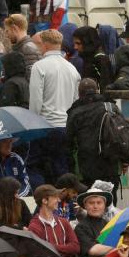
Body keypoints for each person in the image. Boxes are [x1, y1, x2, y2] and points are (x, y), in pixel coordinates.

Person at [29, 27, 80, 185]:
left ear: (44, 45)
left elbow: (36, 101)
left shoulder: (39, 67)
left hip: (44, 126)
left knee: (36, 168)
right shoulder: (72, 69)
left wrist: (32, 125)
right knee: (62, 168)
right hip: (65, 127)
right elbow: (75, 100)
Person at [27, 184, 79, 257]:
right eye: (55, 197)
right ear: (44, 201)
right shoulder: (34, 227)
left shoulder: (63, 222)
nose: (59, 200)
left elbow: (75, 247)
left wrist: (50, 246)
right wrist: (65, 249)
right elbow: (41, 253)